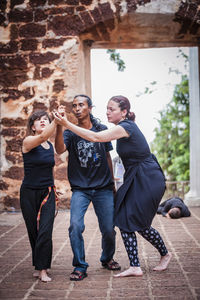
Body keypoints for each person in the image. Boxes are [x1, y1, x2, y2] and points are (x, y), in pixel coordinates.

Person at [53, 95, 172, 278]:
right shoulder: (120, 128)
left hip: (146, 177)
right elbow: (62, 148)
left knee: (134, 223)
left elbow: (95, 139)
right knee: (124, 220)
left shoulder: (124, 127)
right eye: (107, 108)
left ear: (123, 112)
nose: (107, 112)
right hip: (129, 177)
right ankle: (134, 266)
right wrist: (63, 125)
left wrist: (66, 123)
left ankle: (163, 254)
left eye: (112, 109)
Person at [54, 95, 120, 281]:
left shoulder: (101, 129)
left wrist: (112, 185)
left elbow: (107, 157)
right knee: (75, 226)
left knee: (108, 228)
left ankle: (107, 258)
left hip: (103, 188)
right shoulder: (70, 132)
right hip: (80, 189)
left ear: (90, 108)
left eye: (81, 105)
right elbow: (59, 150)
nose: (76, 108)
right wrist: (60, 125)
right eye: (74, 105)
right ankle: (80, 265)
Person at [20, 110, 57, 282]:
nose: (43, 121)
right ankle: (38, 264)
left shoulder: (50, 146)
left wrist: (55, 187)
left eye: (46, 119)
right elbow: (42, 138)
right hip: (28, 192)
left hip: (47, 191)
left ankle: (43, 269)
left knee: (45, 231)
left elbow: (48, 170)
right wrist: (56, 121)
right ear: (32, 126)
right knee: (33, 231)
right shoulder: (28, 141)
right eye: (39, 120)